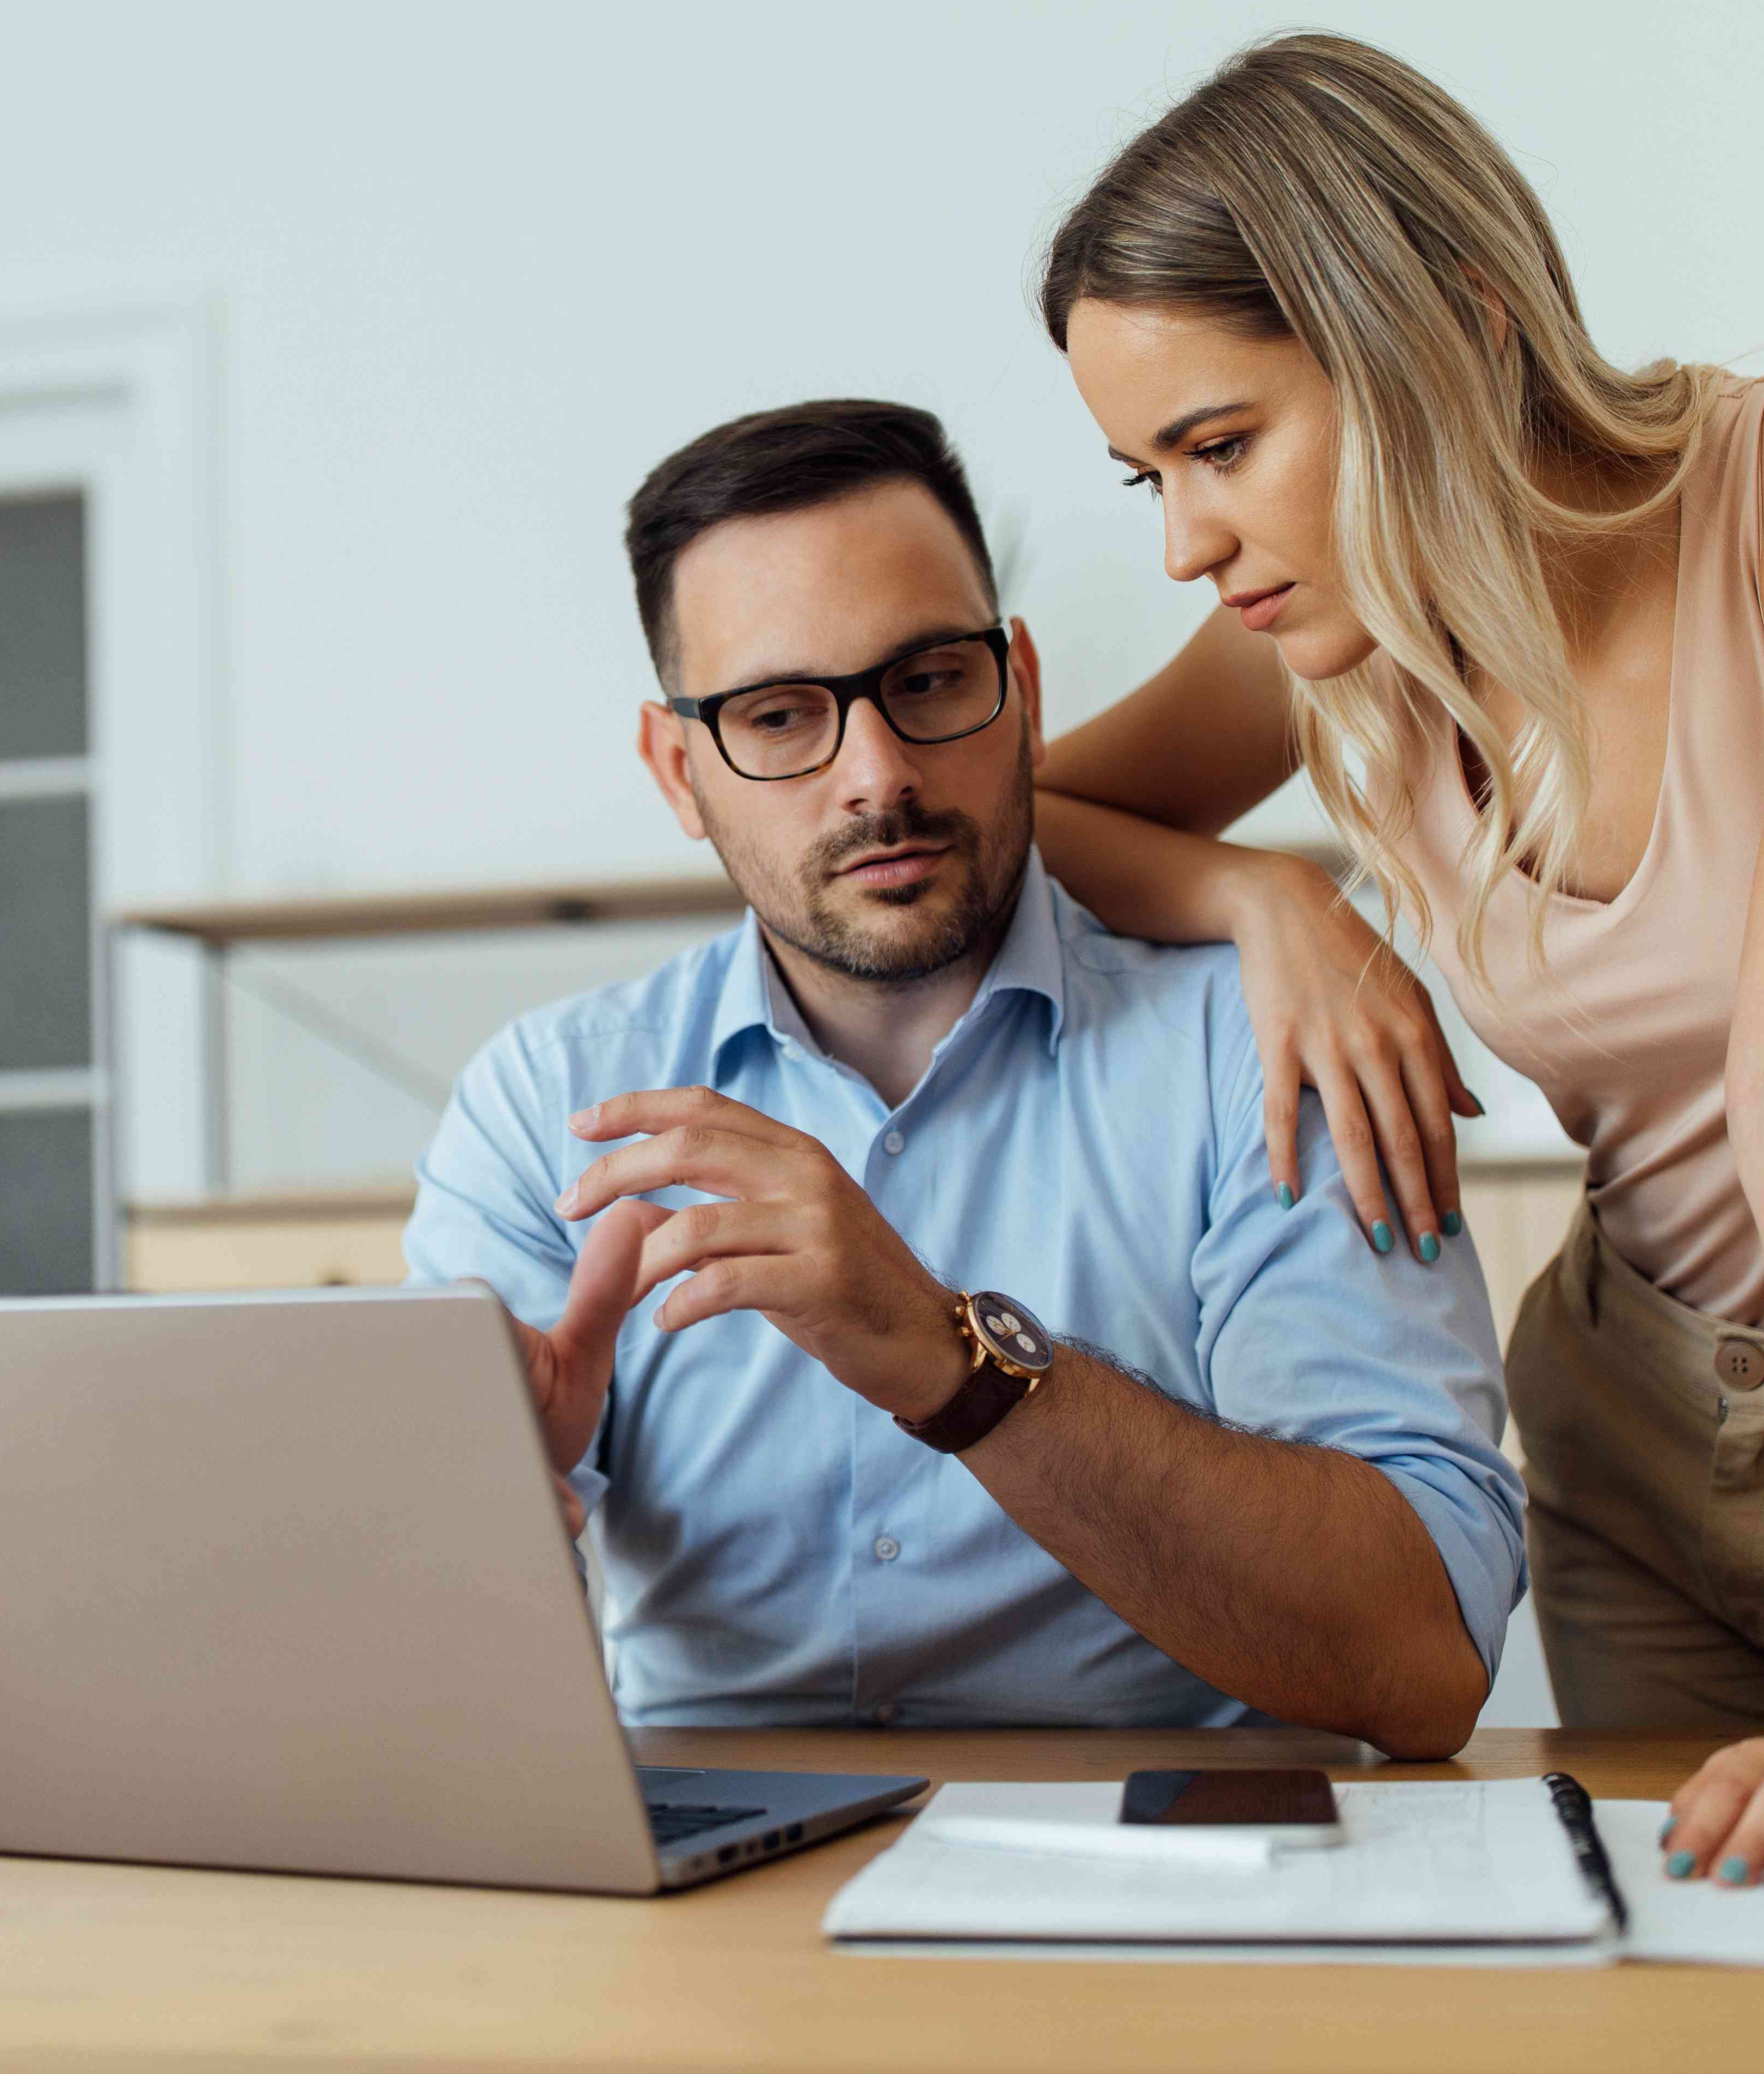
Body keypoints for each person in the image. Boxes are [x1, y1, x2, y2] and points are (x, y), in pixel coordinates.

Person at [1027, 33, 1764, 1886]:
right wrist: (1274, 899)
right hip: (1633, 1445)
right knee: (1678, 1996)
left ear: (1449, 327)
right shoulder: (1343, 626)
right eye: (1146, 479)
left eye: (1220, 446)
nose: (1191, 540)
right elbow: (1007, 819)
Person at [400, 398, 1523, 1757]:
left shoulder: (1267, 1046)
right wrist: (486, 1514)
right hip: (713, 1905)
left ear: (1024, 689)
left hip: (1176, 1867)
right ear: (678, 769)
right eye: (778, 714)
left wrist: (957, 1360)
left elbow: (1424, 1659)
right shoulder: (546, 1105)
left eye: (929, 680)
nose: (876, 777)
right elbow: (400, 1678)